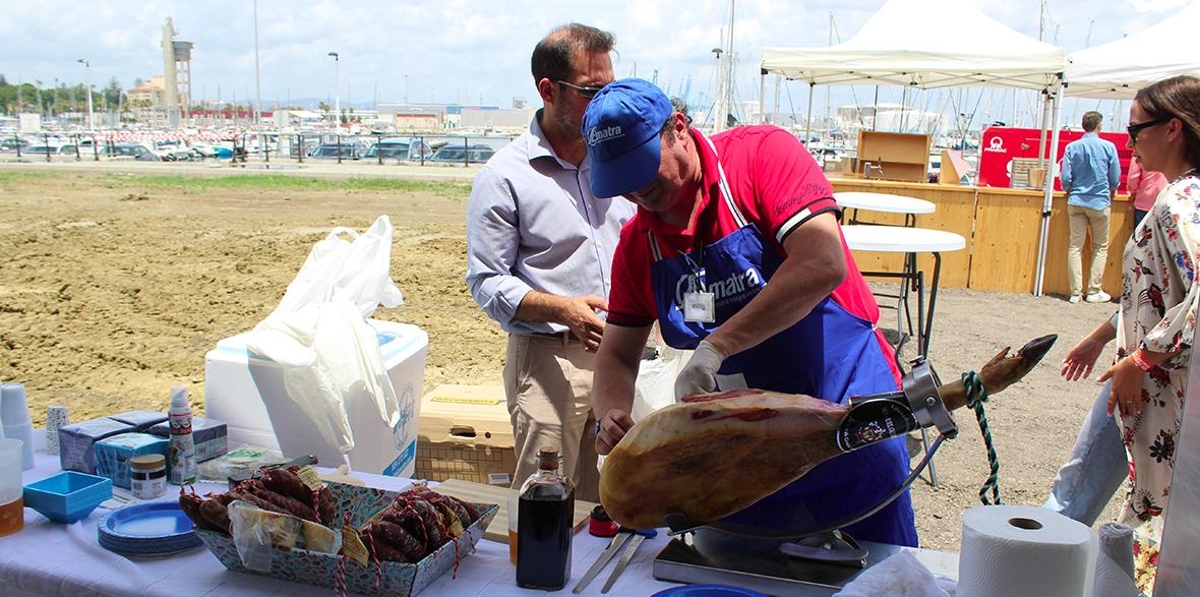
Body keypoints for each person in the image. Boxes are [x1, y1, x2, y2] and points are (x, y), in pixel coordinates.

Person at [583, 78, 918, 546]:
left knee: (875, 560)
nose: (638, 192)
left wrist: (715, 347)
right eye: (623, 184)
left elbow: (822, 263)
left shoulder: (761, 157)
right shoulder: (638, 248)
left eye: (644, 171)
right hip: (742, 441)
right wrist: (612, 412)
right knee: (750, 563)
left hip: (843, 395)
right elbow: (618, 354)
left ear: (677, 128)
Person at [464, 23, 633, 503]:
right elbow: (486, 283)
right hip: (547, 363)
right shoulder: (504, 177)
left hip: (619, 358)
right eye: (591, 92)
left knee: (613, 500)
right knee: (546, 504)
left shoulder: (618, 163)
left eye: (611, 90)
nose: (604, 105)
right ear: (548, 90)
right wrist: (565, 310)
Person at [1054, 75, 1200, 594]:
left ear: (1174, 129)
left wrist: (1141, 361)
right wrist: (1104, 334)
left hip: (1161, 391)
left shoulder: (1180, 202)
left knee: (1152, 515)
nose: (1129, 140)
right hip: (1151, 382)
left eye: (1136, 129)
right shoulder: (1180, 196)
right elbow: (1159, 291)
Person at [1060, 110, 1121, 304]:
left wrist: (1069, 189)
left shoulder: (1072, 147)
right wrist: (1112, 189)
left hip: (1076, 200)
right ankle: (1093, 290)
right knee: (1100, 247)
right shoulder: (1109, 147)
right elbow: (1115, 177)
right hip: (1100, 201)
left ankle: (1075, 292)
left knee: (1075, 247)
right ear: (1099, 126)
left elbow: (1066, 178)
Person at [1126, 154, 1168, 228]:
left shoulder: (1139, 151)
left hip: (1145, 201)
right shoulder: (1172, 150)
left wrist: (1132, 191)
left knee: (1142, 237)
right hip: (1166, 200)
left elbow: (1133, 177)